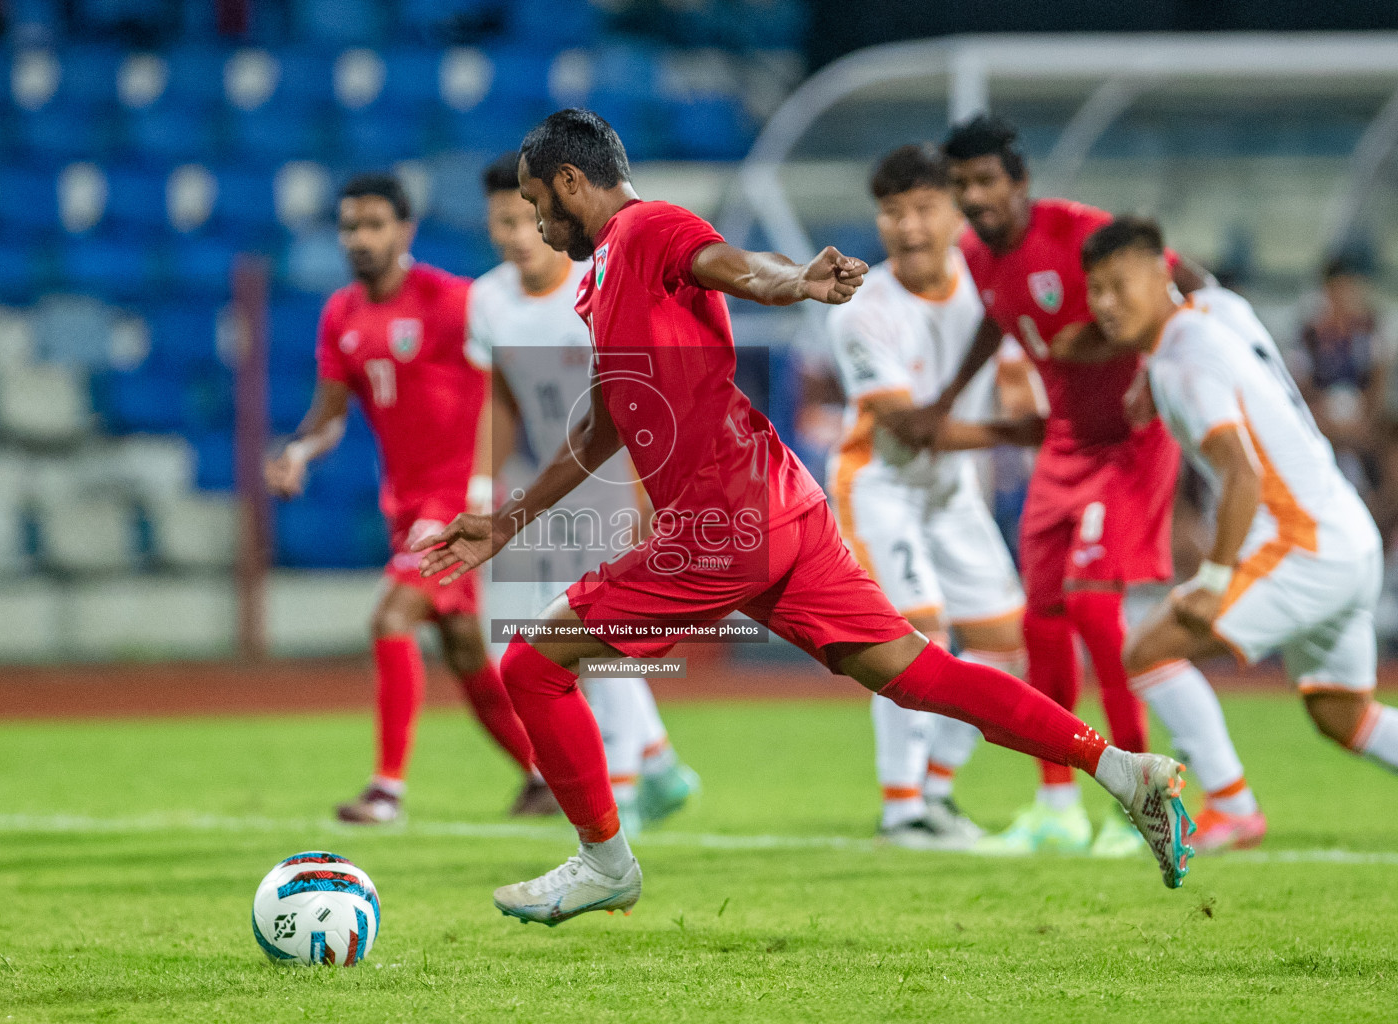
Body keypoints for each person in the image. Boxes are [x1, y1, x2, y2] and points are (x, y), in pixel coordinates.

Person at [414, 109, 1196, 926]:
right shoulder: (604, 275)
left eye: (540, 202)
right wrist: (509, 521)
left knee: (533, 666)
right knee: (917, 674)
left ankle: (604, 863)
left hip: (719, 526)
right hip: (778, 505)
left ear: (573, 183)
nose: (539, 223)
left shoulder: (648, 229)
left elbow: (731, 265)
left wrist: (794, 282)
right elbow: (605, 421)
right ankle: (1121, 770)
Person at [893, 115, 1259, 857]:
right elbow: (998, 321)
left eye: (986, 181)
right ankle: (1057, 804)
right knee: (1043, 623)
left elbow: (1184, 281)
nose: (974, 197)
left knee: (1098, 615)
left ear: (1019, 182)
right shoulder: (975, 254)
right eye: (962, 184)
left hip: (1128, 442)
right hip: (1063, 445)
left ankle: (1147, 802)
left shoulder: (1077, 231)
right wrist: (949, 396)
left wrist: (1183, 363)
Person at [264, 172, 556, 824]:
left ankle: (386, 791)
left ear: (405, 230)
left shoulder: (451, 301)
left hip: (458, 499)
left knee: (391, 618)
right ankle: (547, 775)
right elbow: (331, 413)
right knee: (463, 651)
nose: (360, 239)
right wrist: (297, 452)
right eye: (349, 227)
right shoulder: (341, 313)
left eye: (373, 225)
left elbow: (512, 370)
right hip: (405, 504)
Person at [1084, 216, 1398, 784]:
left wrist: (1212, 580)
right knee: (1342, 713)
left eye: (1118, 284)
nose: (1105, 303)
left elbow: (1242, 474)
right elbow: (1201, 282)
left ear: (1160, 274)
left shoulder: (1181, 360)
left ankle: (1230, 804)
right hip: (1349, 537)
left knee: (1147, 651)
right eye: (1095, 289)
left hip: (1302, 546)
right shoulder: (1217, 310)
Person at [468, 151, 700, 834]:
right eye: (498, 222)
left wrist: (645, 499)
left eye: (522, 218)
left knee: (588, 638)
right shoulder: (486, 301)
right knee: (538, 638)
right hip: (542, 492)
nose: (513, 234)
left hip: (608, 483)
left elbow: (637, 399)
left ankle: (625, 783)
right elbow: (501, 395)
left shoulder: (596, 285)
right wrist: (486, 481)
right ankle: (655, 765)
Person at [825, 143, 1039, 849]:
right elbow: (911, 428)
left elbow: (1012, 379)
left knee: (1006, 645)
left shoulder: (988, 286)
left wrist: (1030, 409)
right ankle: (901, 808)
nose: (909, 227)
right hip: (880, 486)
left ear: (955, 214)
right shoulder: (862, 309)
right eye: (892, 212)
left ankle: (938, 791)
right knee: (915, 642)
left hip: (950, 494)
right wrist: (1028, 429)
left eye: (923, 209)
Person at [1292, 254, 1392, 500]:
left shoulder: (1368, 330)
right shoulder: (1310, 334)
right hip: (1322, 416)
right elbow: (1299, 385)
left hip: (1361, 418)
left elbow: (1378, 381)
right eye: (1337, 289)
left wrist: (1365, 420)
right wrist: (1322, 411)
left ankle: (1377, 501)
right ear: (1326, 291)